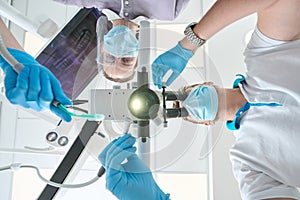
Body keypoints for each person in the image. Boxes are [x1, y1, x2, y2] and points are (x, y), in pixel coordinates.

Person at [99, 0, 300, 200]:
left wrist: (189, 44)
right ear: (206, 123)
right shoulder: (248, 163)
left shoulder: (263, 57)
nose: (186, 103)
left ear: (206, 84)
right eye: (182, 110)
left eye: (183, 95)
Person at [0, 0, 191, 121]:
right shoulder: (170, 9)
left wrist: (12, 56)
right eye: (125, 60)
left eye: (110, 57)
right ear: (140, 53)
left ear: (100, 48)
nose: (118, 53)